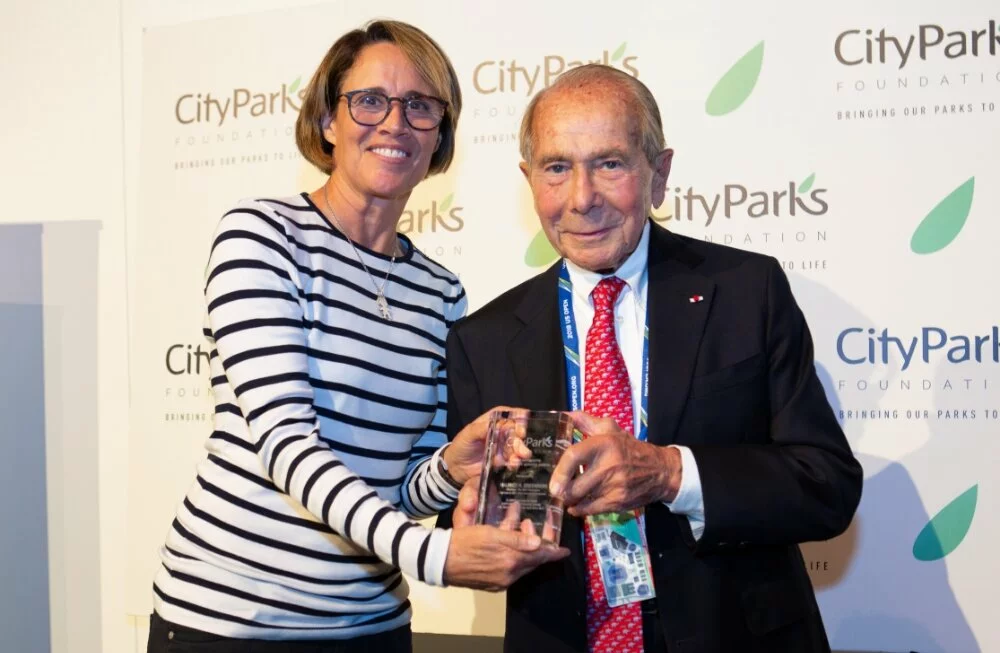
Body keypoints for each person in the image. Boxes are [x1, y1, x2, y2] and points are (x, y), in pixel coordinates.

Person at [147, 20, 565, 653]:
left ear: (439, 139)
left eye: (420, 107)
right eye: (369, 100)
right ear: (327, 122)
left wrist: (454, 466)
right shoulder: (262, 236)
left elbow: (401, 489)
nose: (394, 122)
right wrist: (435, 555)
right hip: (229, 623)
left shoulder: (441, 291)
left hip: (371, 628)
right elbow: (287, 443)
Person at [443, 64, 863, 652]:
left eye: (609, 163)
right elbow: (473, 523)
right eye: (557, 168)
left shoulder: (747, 292)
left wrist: (669, 473)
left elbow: (827, 488)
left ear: (659, 174)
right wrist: (476, 525)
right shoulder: (482, 337)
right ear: (529, 179)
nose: (581, 198)